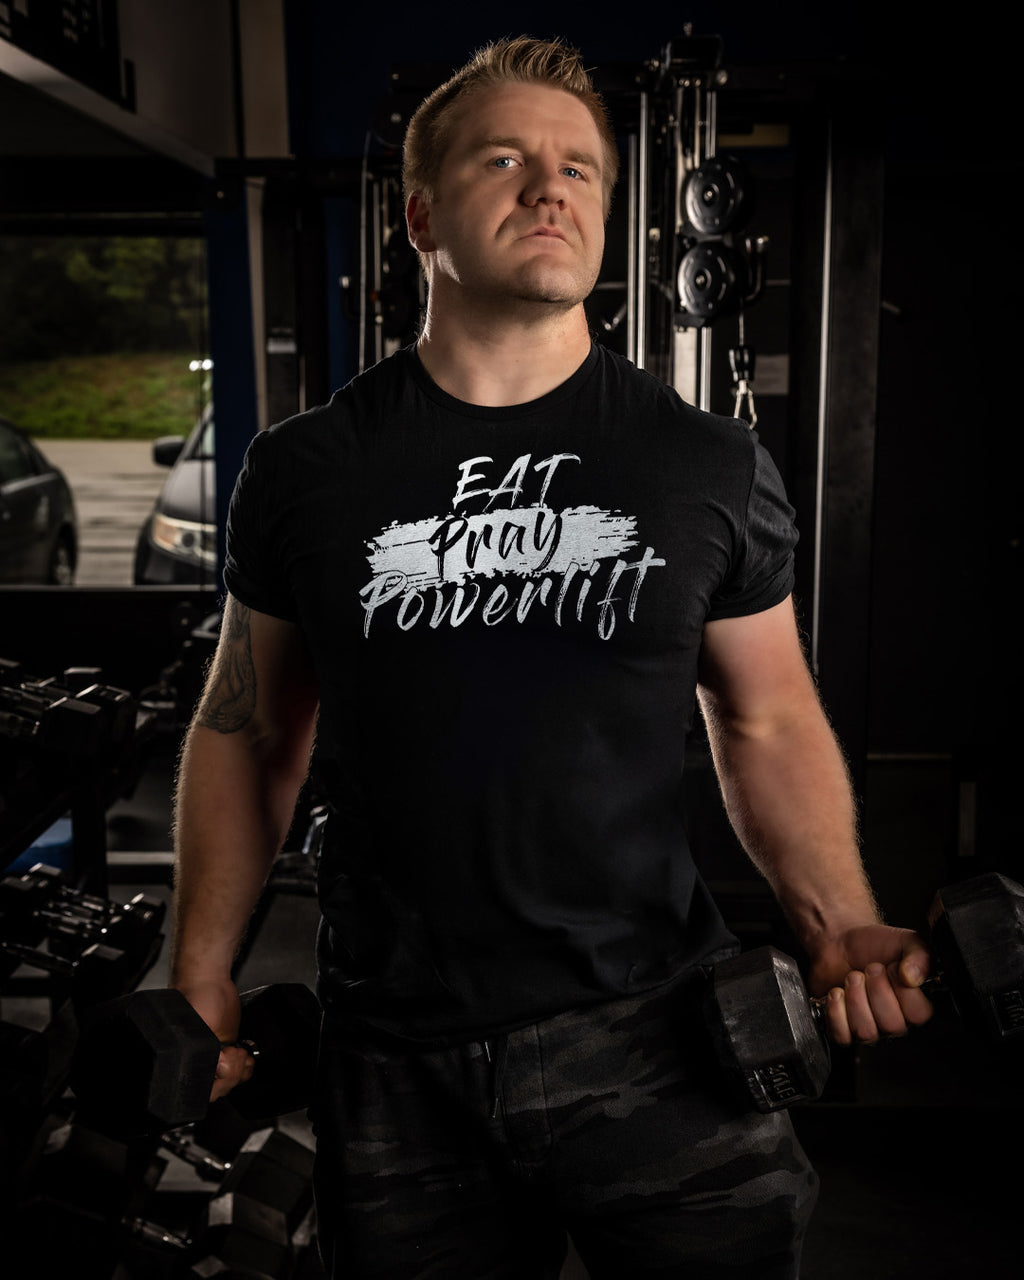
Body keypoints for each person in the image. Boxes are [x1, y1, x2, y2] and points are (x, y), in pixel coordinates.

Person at [170, 35, 934, 1279]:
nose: (551, 187)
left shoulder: (703, 464)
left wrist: (840, 916)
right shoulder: (309, 469)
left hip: (652, 1031)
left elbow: (767, 721)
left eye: (581, 168)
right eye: (507, 158)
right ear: (420, 212)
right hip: (396, 1048)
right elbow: (249, 727)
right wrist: (197, 971)